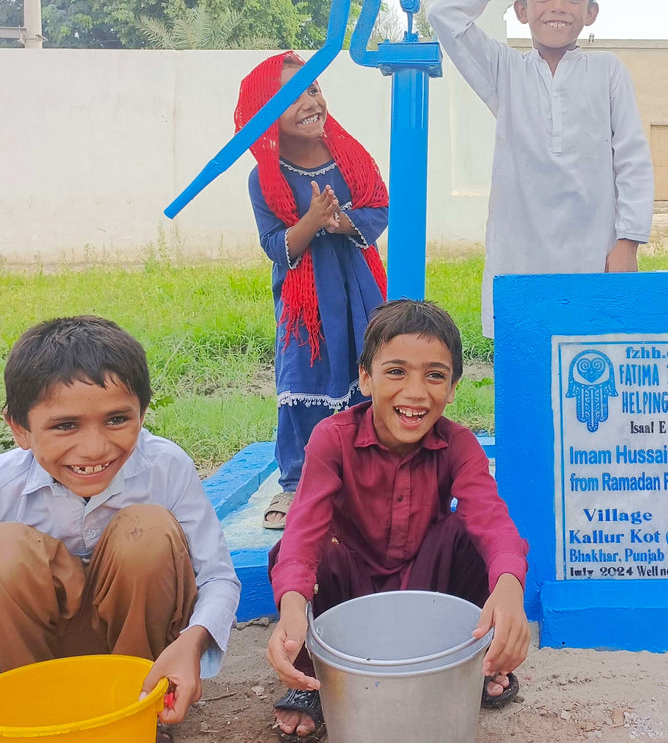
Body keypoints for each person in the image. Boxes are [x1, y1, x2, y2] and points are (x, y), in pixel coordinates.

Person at [266, 299, 530, 740]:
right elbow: (302, 531)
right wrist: (292, 605)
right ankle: (312, 676)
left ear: (453, 387)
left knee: (478, 541)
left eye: (435, 375)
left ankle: (474, 661)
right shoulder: (332, 439)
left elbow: (491, 518)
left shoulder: (459, 444)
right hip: (350, 589)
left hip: (426, 587)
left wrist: (509, 587)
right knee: (300, 555)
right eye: (396, 372)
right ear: (365, 378)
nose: (415, 393)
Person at [0, 315, 240, 739]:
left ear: (143, 413)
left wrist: (192, 643)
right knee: (6, 550)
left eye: (116, 420)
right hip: (34, 664)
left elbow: (218, 577)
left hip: (138, 658)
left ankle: (139, 711)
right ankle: (30, 720)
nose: (95, 448)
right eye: (65, 425)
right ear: (19, 429)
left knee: (146, 533)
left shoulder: (166, 466)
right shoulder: (6, 484)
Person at [428, 0, 654, 337]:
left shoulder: (607, 71)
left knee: (591, 362)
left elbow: (633, 159)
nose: (557, 6)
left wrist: (628, 244)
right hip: (520, 261)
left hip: (595, 257)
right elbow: (444, 15)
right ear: (521, 10)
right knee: (525, 363)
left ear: (591, 12)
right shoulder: (504, 71)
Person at [235, 52, 389, 529]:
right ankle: (297, 482)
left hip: (359, 288)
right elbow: (274, 246)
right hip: (305, 303)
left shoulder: (350, 157)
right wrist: (311, 221)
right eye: (289, 95)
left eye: (312, 88)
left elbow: (378, 208)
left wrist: (339, 222)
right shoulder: (265, 178)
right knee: (303, 374)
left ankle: (369, 472)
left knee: (368, 366)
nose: (308, 101)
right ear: (263, 113)